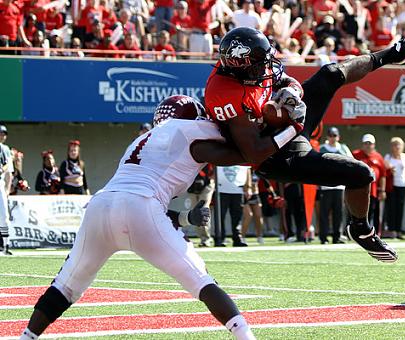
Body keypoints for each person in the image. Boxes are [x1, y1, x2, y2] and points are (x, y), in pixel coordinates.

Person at [20, 95, 258, 340]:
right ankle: (246, 337)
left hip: (102, 204)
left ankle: (26, 336)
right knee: (201, 282)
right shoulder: (189, 128)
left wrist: (185, 217)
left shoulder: (141, 140)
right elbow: (244, 151)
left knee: (65, 286)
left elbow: (132, 199)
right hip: (142, 207)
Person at [204, 21, 405, 262]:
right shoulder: (223, 93)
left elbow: (283, 79)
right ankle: (360, 229)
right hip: (275, 157)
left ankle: (395, 53)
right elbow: (255, 153)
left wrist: (292, 90)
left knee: (330, 73)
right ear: (239, 67)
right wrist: (294, 127)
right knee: (361, 174)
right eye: (258, 67)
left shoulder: (252, 67)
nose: (265, 70)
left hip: (284, 126)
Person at [318, 127, 352, 244]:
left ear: (338, 137)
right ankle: (323, 237)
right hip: (326, 186)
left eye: (335, 135)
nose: (333, 138)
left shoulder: (343, 149)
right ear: (327, 136)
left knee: (339, 213)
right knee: (324, 214)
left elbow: (351, 162)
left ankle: (337, 236)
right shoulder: (321, 148)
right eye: (331, 135)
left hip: (339, 186)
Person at [352, 134, 386, 236]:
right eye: (366, 143)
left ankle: (372, 234)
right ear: (362, 144)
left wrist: (382, 190)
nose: (368, 145)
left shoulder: (378, 157)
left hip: (373, 191)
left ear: (374, 145)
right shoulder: (355, 155)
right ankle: (354, 233)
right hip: (357, 190)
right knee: (356, 213)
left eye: (370, 143)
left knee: (372, 213)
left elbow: (383, 175)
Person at [384, 137, 405, 240]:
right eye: (394, 144)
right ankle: (392, 231)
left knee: (400, 208)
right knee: (391, 208)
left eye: (399, 144)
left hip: (402, 185)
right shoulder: (388, 157)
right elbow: (385, 171)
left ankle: (399, 230)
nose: (397, 146)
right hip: (391, 186)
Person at [217, 165, 250, 247]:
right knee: (220, 216)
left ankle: (237, 238)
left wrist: (248, 188)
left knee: (237, 217)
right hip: (221, 190)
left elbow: (247, 170)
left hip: (238, 191)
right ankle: (220, 238)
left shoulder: (242, 157)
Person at [241, 168, 265, 244]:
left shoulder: (257, 170)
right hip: (244, 195)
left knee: (258, 216)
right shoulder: (243, 169)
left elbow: (266, 182)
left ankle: (259, 236)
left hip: (255, 195)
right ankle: (242, 237)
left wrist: (273, 194)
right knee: (249, 215)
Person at [0, 125, 13, 255]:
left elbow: (8, 169)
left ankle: (6, 244)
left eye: (4, 133)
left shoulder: (4, 149)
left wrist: (7, 189)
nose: (2, 135)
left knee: (4, 215)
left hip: (0, 183)